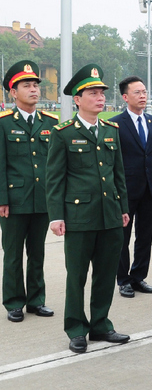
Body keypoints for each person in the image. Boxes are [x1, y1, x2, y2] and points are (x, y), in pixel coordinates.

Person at [46, 64, 131, 353]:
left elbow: (118, 173)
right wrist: (56, 216)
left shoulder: (111, 130)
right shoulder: (63, 133)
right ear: (77, 99)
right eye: (93, 93)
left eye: (101, 93)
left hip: (110, 215)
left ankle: (101, 325)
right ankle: (76, 329)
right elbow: (55, 178)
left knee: (106, 275)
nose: (100, 97)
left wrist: (123, 207)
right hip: (79, 217)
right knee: (77, 276)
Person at [0, 60, 58, 323]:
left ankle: (36, 300)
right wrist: (2, 199)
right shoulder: (3, 123)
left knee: (37, 253)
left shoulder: (50, 122)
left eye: (35, 85)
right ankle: (14, 302)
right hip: (14, 201)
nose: (34, 89)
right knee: (13, 255)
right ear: (13, 92)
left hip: (42, 199)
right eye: (27, 85)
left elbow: (54, 166)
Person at [109, 76, 152, 298]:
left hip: (150, 188)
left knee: (145, 235)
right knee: (122, 237)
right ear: (125, 97)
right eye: (137, 92)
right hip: (126, 190)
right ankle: (123, 280)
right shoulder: (115, 123)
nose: (143, 96)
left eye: (144, 92)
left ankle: (139, 276)